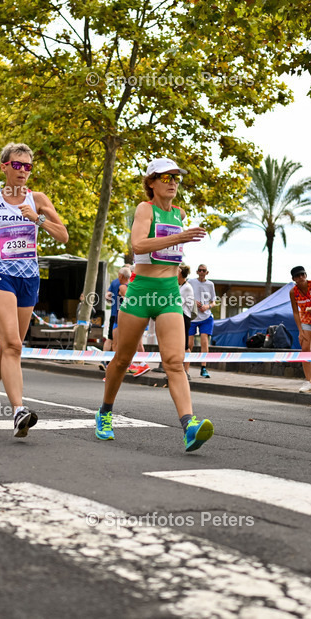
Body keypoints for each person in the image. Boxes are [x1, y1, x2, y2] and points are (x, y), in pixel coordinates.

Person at [95, 157, 213, 451]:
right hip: (141, 292)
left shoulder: (180, 213)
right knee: (122, 361)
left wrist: (180, 234)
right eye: (166, 177)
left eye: (176, 177)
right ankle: (105, 413)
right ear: (151, 182)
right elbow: (138, 245)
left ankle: (189, 426)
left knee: (175, 362)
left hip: (168, 292)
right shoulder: (144, 209)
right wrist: (180, 236)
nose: (173, 182)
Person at [0, 142, 69, 438]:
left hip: (29, 278)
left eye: (28, 166)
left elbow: (64, 236)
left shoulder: (38, 199)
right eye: (17, 165)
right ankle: (19, 410)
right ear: (4, 167)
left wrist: (39, 220)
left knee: (11, 348)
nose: (23, 171)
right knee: (13, 347)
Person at [188, 264, 218, 378]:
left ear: (207, 272)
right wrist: (193, 302)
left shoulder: (210, 284)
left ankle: (204, 367)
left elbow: (213, 301)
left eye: (203, 270)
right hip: (193, 316)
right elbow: (185, 295)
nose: (201, 272)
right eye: (199, 270)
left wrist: (207, 307)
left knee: (204, 342)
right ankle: (186, 367)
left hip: (206, 317)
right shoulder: (191, 282)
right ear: (196, 272)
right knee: (189, 344)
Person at [103, 266, 133, 369]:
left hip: (116, 314)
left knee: (111, 340)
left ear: (121, 276)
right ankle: (126, 364)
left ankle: (107, 362)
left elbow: (107, 296)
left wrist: (113, 299)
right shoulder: (133, 284)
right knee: (127, 341)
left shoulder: (116, 283)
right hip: (129, 316)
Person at [178, 263, 197, 375]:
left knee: (185, 345)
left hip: (185, 317)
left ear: (180, 273)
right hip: (181, 317)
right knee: (180, 344)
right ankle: (182, 369)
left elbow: (178, 303)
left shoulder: (186, 287)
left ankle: (186, 370)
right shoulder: (181, 286)